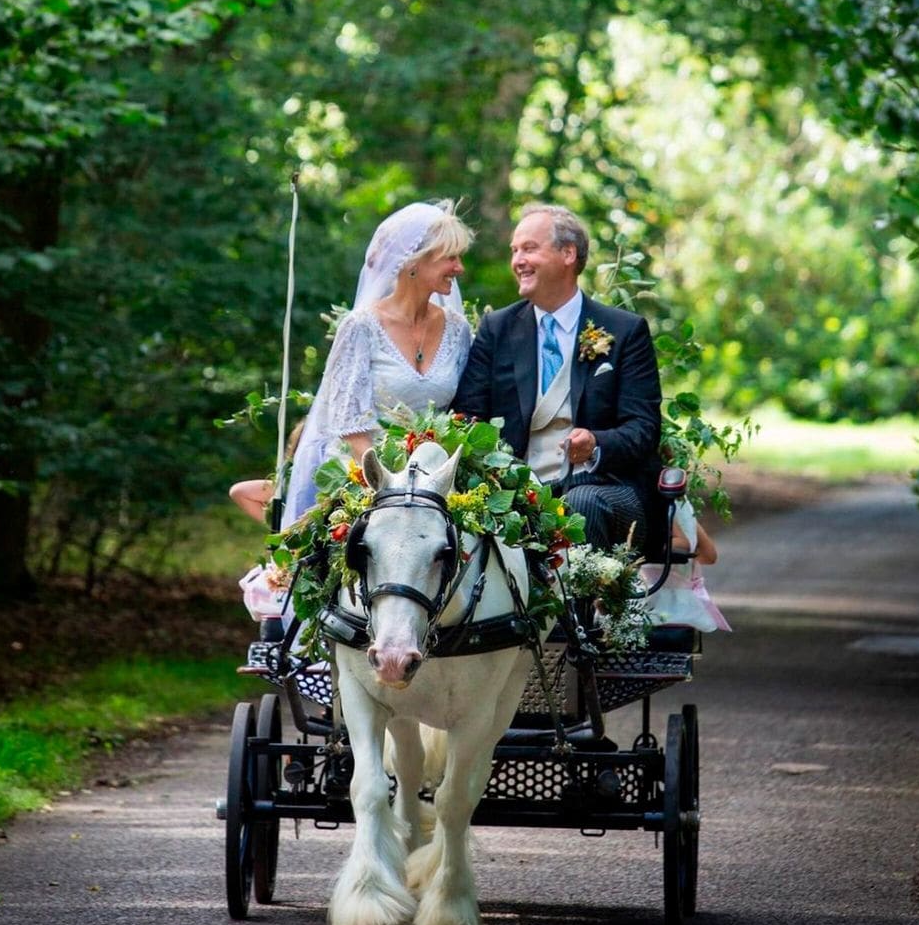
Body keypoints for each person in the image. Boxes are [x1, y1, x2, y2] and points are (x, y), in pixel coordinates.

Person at [453, 203, 662, 553]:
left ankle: (581, 607)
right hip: (514, 491)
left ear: (568, 254)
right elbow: (467, 418)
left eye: (529, 248)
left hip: (604, 487)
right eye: (514, 251)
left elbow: (644, 429)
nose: (517, 260)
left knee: (581, 506)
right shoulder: (497, 330)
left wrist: (597, 444)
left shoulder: (625, 331)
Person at [282, 199, 475, 528]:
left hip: (433, 481)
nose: (459, 268)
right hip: (363, 476)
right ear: (414, 261)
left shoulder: (458, 330)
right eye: (450, 257)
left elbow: (462, 412)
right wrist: (391, 488)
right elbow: (352, 428)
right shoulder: (361, 327)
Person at [641, 499, 731, 631]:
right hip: (685, 602)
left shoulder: (652, 502)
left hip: (652, 600)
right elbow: (709, 555)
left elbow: (685, 544)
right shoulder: (683, 506)